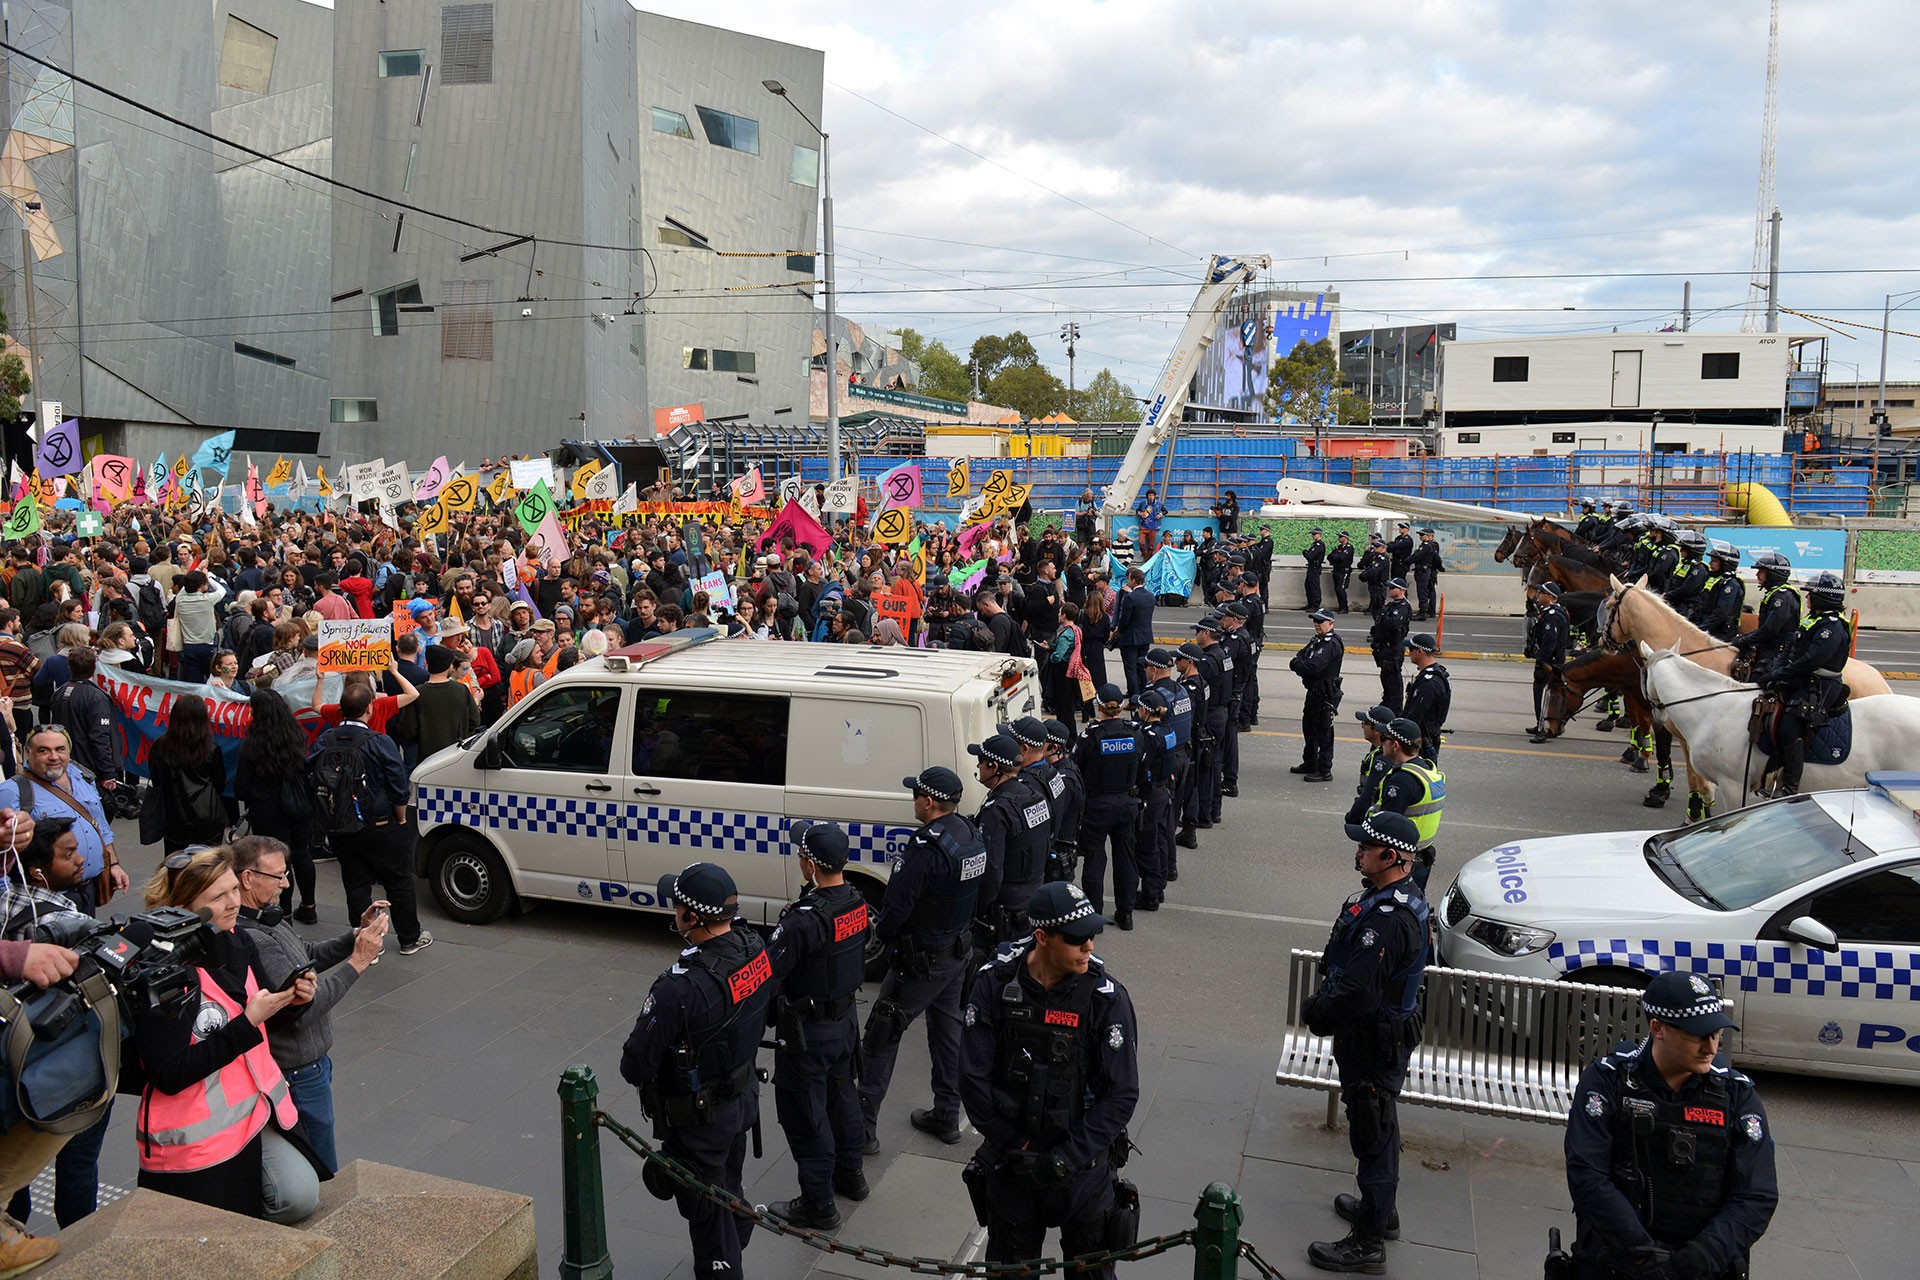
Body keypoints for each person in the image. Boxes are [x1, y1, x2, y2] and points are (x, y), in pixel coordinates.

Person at [132, 848, 325, 1223]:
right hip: (198, 1140)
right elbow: (169, 1074)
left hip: (253, 1112)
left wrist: (294, 1000)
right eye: (218, 897)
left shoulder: (236, 940)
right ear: (182, 906)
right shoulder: (160, 969)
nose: (235, 902)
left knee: (299, 1195)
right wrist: (246, 1025)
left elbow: (264, 1019)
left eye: (234, 889)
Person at [958, 882, 1140, 1278]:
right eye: (1077, 939)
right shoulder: (993, 984)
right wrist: (1017, 1145)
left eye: (1092, 934)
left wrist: (1065, 1158)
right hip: (1013, 1170)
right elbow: (972, 1080)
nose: (1089, 946)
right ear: (1041, 937)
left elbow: (1122, 1094)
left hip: (1083, 1175)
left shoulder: (1106, 999)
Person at [1563, 971, 1777, 1279]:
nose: (1711, 1048)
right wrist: (1644, 1259)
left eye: (1716, 1034)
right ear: (1657, 1028)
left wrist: (1694, 1262)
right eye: (1698, 1036)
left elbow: (1757, 1195)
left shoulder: (1737, 1096)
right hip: (1619, 1263)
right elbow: (1587, 1175)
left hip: (1702, 1268)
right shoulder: (1608, 1081)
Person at [621, 862, 770, 1278]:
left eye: (678, 905)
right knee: (729, 1179)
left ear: (692, 917)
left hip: (702, 1120)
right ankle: (737, 1227)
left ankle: (722, 1264)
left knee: (707, 1208)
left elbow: (635, 1064)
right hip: (742, 1098)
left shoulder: (679, 988)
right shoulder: (754, 946)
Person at [1303, 811, 1430, 1275]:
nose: (1357, 851)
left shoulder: (1391, 919)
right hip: (1380, 1035)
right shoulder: (1395, 898)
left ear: (1391, 856)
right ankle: (1380, 1209)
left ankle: (1368, 1242)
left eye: (1365, 847)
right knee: (1381, 1125)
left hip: (1374, 1041)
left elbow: (1359, 990)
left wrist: (1317, 1013)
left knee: (1372, 1130)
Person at [232, 835, 386, 1174]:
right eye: (278, 876)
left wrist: (355, 935)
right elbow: (302, 1011)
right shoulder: (253, 938)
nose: (286, 884)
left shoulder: (266, 918)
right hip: (298, 1074)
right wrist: (358, 962)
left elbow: (307, 955)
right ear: (247, 878)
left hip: (311, 1067)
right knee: (321, 1170)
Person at [764, 822, 871, 1228]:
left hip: (808, 1033)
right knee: (843, 1097)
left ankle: (818, 1204)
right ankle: (852, 1175)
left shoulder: (803, 919)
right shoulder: (857, 902)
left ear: (810, 864)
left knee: (806, 1114)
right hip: (844, 1022)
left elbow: (770, 973)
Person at [307, 683, 431, 955]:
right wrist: (400, 817)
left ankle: (367, 943)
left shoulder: (325, 740)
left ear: (341, 710)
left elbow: (310, 773)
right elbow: (398, 783)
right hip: (380, 822)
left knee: (355, 884)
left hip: (340, 823)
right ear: (369, 708)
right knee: (397, 881)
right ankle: (409, 938)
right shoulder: (378, 741)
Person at [0, 724, 126, 916]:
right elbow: (4, 849)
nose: (53, 757)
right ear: (28, 752)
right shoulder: (12, 791)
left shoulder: (81, 776)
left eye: (60, 749)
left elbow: (100, 825)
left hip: (87, 891)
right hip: (47, 900)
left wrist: (114, 865)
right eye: (43, 750)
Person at [1760, 571, 1850, 797]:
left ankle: (1789, 786)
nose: (1807, 598)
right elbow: (1790, 648)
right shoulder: (1812, 620)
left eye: (1811, 595)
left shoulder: (1832, 626)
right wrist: (1775, 671)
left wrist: (1781, 673)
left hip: (1822, 685)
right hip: (1801, 679)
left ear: (1823, 598)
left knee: (1790, 726)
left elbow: (1811, 660)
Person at [235, 691, 321, 922]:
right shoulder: (297, 736)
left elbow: (241, 786)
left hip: (268, 811)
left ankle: (283, 912)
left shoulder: (251, 745)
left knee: (278, 862)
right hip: (299, 804)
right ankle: (309, 905)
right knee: (302, 853)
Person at [1072, 685, 1143, 926]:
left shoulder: (1091, 735)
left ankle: (1094, 916)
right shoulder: (1134, 733)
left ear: (1099, 706)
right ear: (1120, 707)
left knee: (1095, 858)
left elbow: (1075, 767)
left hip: (1097, 805)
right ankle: (1126, 913)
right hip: (1126, 802)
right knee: (1125, 856)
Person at [147, 695, 237, 853]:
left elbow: (156, 780)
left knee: (176, 865)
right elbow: (219, 783)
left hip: (174, 817)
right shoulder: (210, 748)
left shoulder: (160, 747)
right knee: (209, 870)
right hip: (208, 816)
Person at [1365, 719, 1446, 891]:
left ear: (1395, 745)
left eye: (1384, 738)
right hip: (1421, 857)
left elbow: (1386, 827)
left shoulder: (1403, 781)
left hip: (1400, 864)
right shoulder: (1427, 770)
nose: (1381, 742)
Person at [391, 644, 480, 762]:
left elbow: (408, 730)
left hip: (427, 759)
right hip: (457, 755)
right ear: (449, 666)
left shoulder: (417, 693)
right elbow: (474, 720)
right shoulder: (461, 690)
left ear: (427, 664)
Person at [1284, 607, 1344, 782]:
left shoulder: (1331, 643)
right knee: (1309, 728)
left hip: (1325, 693)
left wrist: (1300, 665)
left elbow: (1313, 666)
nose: (1317, 625)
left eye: (1320, 621)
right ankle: (1310, 761)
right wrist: (1299, 664)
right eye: (1315, 621)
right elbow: (1299, 657)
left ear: (1331, 623)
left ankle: (1324, 769)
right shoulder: (1317, 640)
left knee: (1323, 731)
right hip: (1313, 691)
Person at [1731, 551, 1799, 679]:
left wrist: (1743, 640)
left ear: (1772, 574)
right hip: (1767, 647)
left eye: (1761, 571)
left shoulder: (1783, 596)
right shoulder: (1774, 593)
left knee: (1759, 680)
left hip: (1776, 652)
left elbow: (1769, 630)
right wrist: (1743, 637)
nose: (1757, 575)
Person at [1527, 582, 1571, 743]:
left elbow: (1550, 642)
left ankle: (1544, 729)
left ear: (1551, 598)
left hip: (1549, 663)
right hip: (1551, 661)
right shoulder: (1553, 612)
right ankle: (1540, 724)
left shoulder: (1552, 615)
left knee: (1545, 696)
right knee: (1542, 693)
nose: (1538, 595)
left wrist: (1541, 662)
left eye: (1542, 593)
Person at [1400, 634, 1451, 763]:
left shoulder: (1429, 682)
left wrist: (1399, 733)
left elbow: (1415, 715)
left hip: (1422, 741)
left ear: (1420, 651)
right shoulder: (1436, 673)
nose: (1408, 653)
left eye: (1411, 649)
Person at [1368, 580, 1412, 715]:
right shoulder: (1391, 606)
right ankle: (1387, 704)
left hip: (1393, 649)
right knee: (1386, 679)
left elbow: (1392, 624)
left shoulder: (1403, 607)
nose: (1389, 589)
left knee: (1393, 682)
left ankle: (1394, 710)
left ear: (1402, 590)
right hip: (1384, 649)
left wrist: (1383, 618)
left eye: (1393, 588)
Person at [1111, 568, 1154, 698]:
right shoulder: (1150, 596)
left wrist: (1118, 631)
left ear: (1133, 581)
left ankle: (1134, 697)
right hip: (1145, 636)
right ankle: (1143, 693)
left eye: (1129, 579)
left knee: (1131, 669)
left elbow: (1124, 620)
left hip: (1130, 638)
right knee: (1142, 667)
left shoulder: (1130, 597)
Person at [1694, 543, 1747, 641]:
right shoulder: (1714, 579)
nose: (1710, 563)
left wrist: (1701, 629)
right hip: (1706, 626)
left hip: (1719, 633)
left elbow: (1721, 613)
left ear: (1725, 563)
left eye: (1714, 561)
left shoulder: (1731, 584)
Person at [1409, 528, 1443, 621]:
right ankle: (1428, 610)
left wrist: (1438, 568)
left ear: (1430, 536)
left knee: (1427, 590)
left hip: (1428, 570)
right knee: (1427, 590)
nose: (1420, 537)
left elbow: (1436, 558)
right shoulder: (1427, 545)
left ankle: (1428, 611)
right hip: (1427, 570)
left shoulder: (1431, 545)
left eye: (1422, 535)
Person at [1328, 531, 1354, 613]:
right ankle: (1340, 606)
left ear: (1346, 538)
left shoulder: (1349, 548)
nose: (1339, 538)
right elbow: (1330, 556)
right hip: (1336, 569)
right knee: (1337, 589)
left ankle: (1344, 607)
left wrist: (1336, 556)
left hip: (1344, 570)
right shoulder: (1339, 547)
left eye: (1341, 537)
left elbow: (1342, 558)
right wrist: (1336, 557)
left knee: (1341, 589)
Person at [1303, 528, 1327, 611]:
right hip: (1311, 567)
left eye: (1314, 534)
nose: (1313, 536)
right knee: (1308, 586)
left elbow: (1310, 556)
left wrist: (1306, 553)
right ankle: (1310, 604)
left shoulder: (1318, 545)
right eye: (1312, 534)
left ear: (1319, 534)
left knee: (1314, 587)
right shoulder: (1315, 544)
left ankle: (1315, 605)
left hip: (1314, 568)